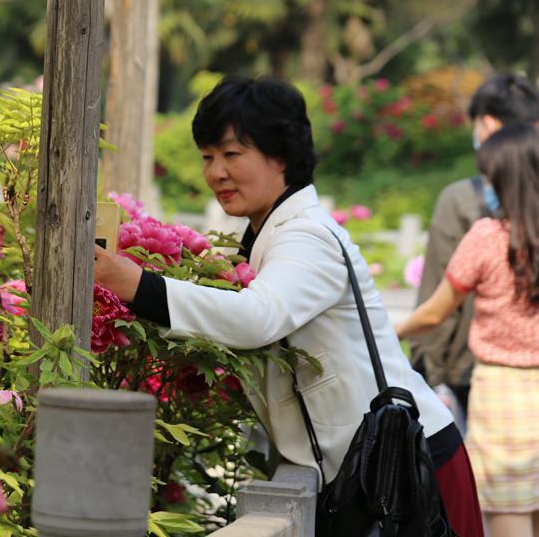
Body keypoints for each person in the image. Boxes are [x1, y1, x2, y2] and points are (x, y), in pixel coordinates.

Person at [94, 76, 483, 536]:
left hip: (408, 467)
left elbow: (257, 317)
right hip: (372, 469)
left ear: (280, 156)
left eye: (232, 154)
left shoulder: (306, 235)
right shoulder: (268, 235)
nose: (216, 172)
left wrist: (132, 283)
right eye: (207, 157)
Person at [396, 123, 539, 537]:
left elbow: (436, 312)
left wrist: (390, 331)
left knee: (508, 519)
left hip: (501, 398)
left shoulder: (488, 237)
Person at [413, 73, 539, 419]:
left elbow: (436, 302)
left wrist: (429, 374)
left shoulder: (461, 200)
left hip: (475, 375)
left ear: (486, 124)